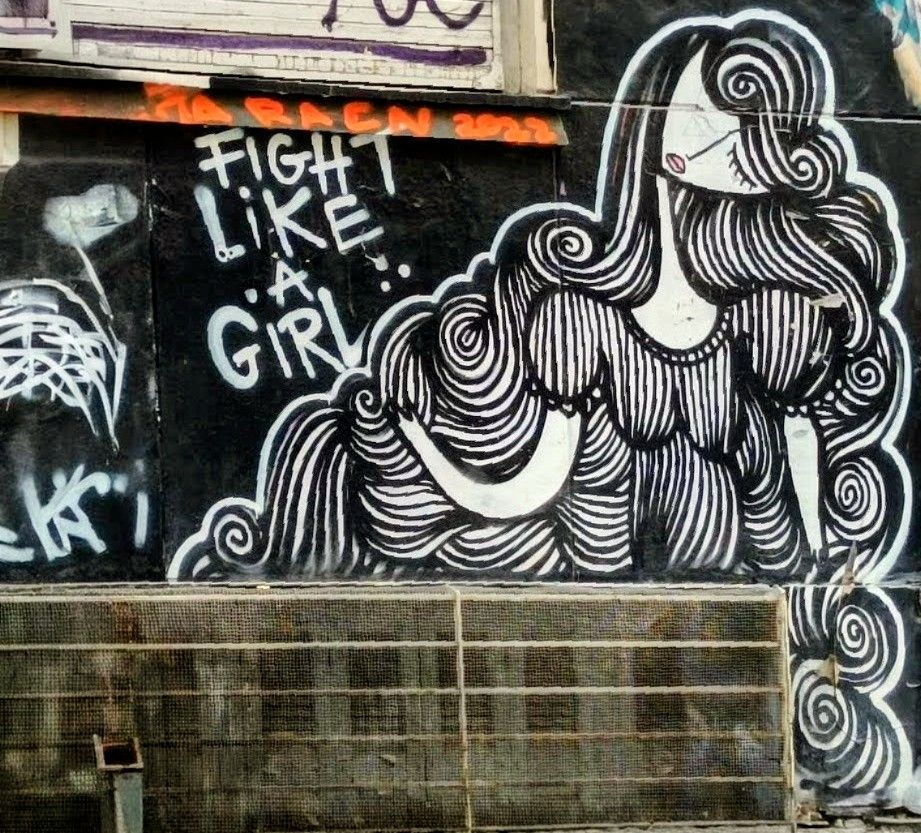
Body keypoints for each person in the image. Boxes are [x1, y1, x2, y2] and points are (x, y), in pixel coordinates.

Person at [169, 10, 909, 583]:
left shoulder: (757, 328)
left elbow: (794, 448)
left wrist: (822, 554)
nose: (730, 146)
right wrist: (418, 447)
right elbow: (527, 487)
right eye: (711, 118)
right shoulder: (579, 324)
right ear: (655, 144)